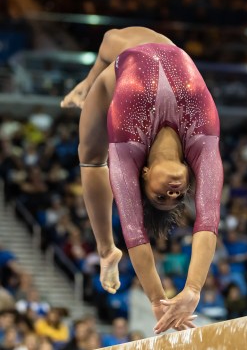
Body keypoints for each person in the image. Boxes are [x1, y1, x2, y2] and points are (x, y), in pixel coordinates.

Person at [61, 27, 223, 334]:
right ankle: (90, 78)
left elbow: (135, 232)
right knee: (123, 45)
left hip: (115, 77)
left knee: (92, 159)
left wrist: (156, 300)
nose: (173, 194)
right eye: (178, 197)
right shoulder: (203, 141)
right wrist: (193, 290)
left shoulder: (128, 148)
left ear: (143, 175)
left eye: (161, 197)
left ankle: (106, 248)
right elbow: (208, 218)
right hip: (163, 49)